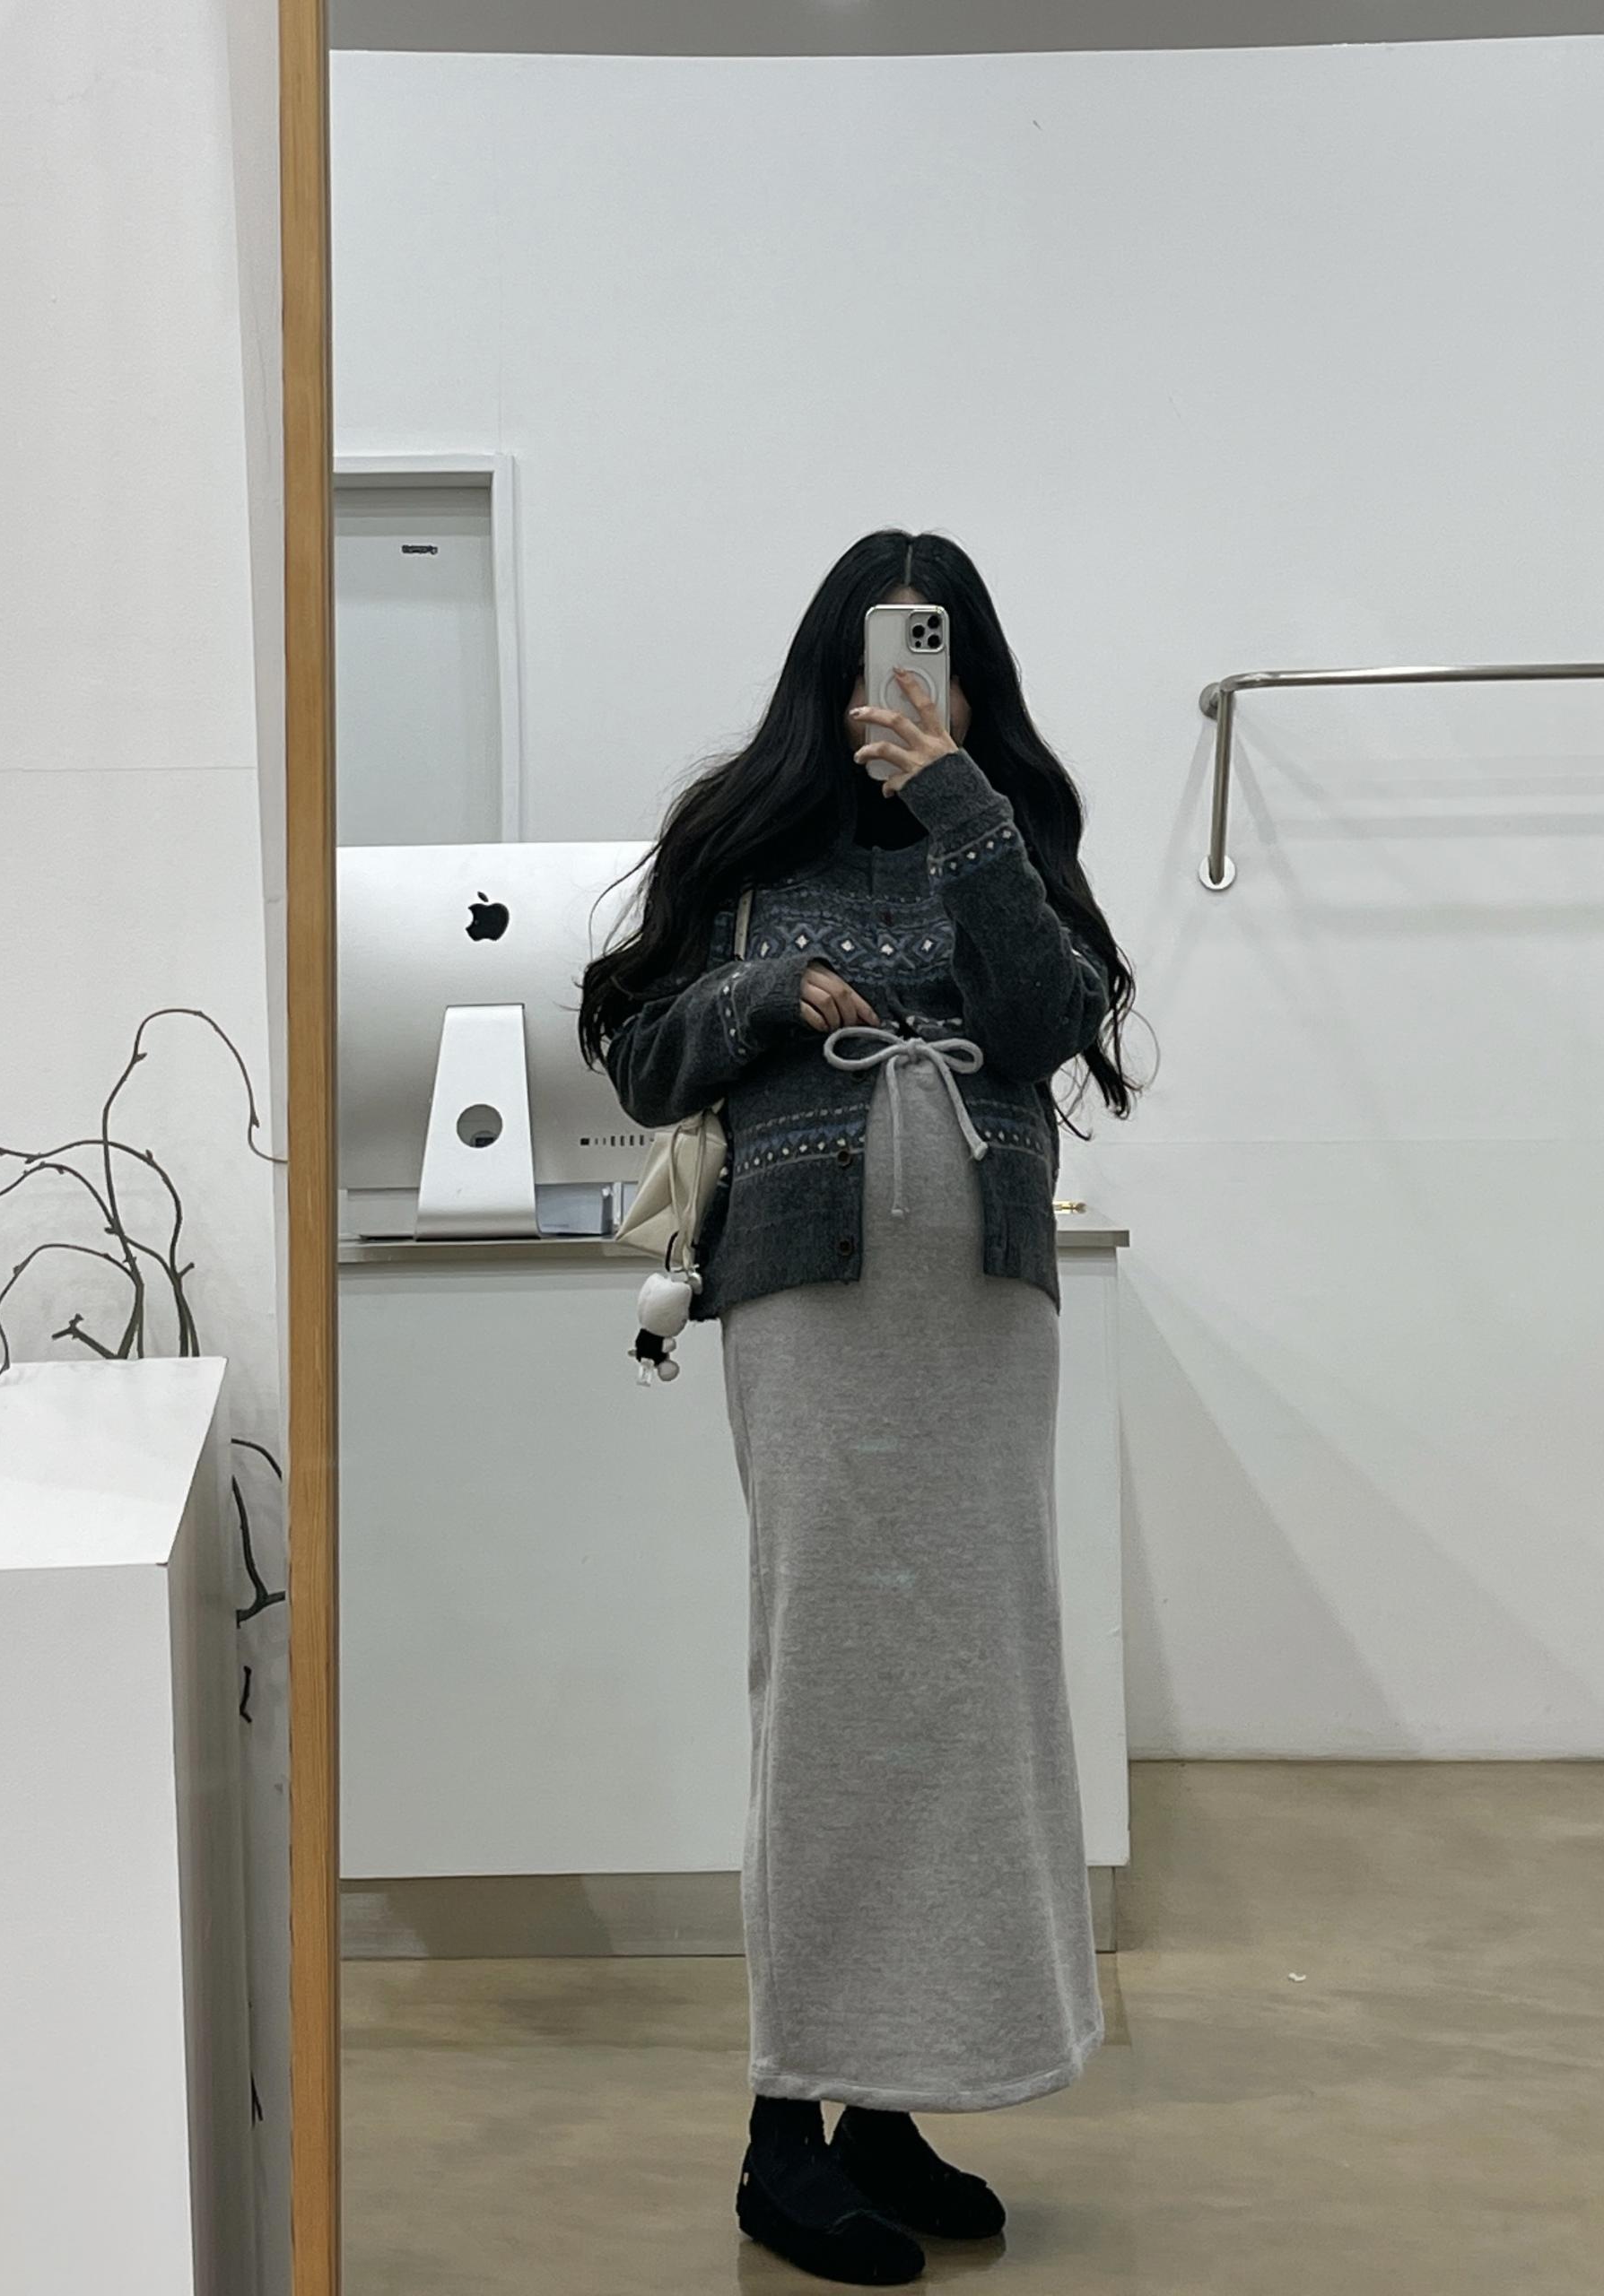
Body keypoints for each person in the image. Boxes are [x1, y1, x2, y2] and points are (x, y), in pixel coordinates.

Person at [580, 529, 1138, 2286]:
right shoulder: (738, 840)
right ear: (834, 663)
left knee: (968, 1688)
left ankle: (889, 2102)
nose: (908, 677)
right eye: (888, 648)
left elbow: (1044, 1023)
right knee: (829, 1688)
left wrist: (964, 802)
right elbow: (639, 1057)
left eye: (939, 649)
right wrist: (764, 990)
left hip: (983, 1310)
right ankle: (781, 2128)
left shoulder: (1007, 823)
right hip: (810, 1302)